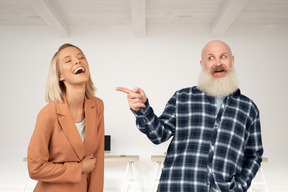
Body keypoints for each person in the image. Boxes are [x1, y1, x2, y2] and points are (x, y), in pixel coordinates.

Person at [116, 40, 263, 192]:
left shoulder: (248, 108)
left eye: (223, 57)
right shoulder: (183, 97)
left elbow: (254, 154)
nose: (218, 63)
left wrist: (240, 187)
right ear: (202, 64)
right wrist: (143, 109)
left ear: (232, 60)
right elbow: (158, 135)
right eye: (211, 58)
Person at [27, 43, 104, 192]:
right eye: (68, 60)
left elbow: (97, 161)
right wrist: (79, 168)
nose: (77, 61)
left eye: (81, 57)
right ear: (60, 75)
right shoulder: (48, 114)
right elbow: (35, 168)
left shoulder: (97, 106)